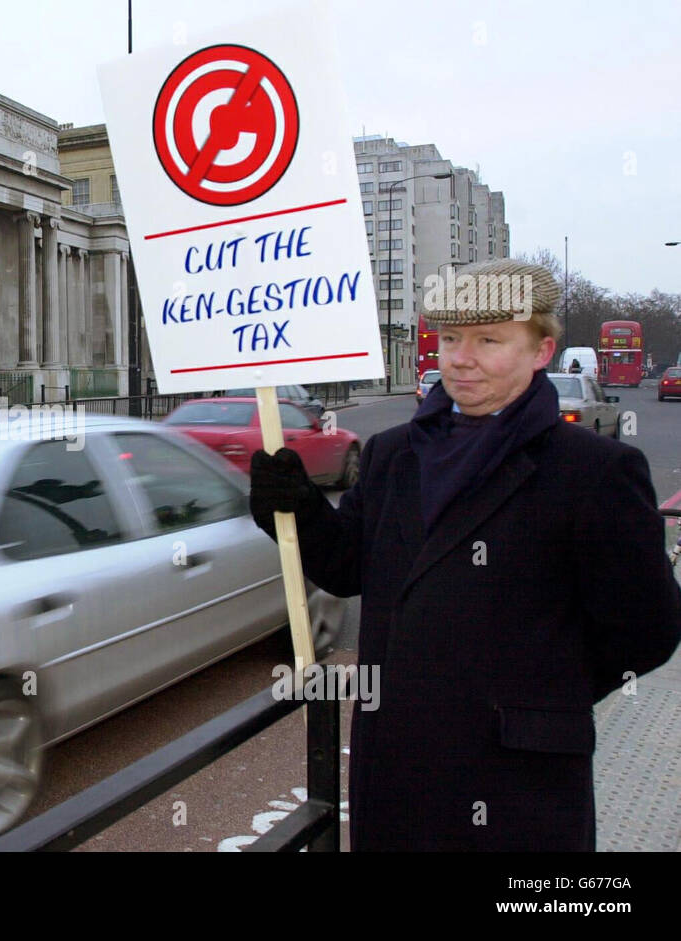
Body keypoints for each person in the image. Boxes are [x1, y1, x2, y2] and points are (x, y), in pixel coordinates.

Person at [248, 258, 681, 851]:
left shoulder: (594, 471)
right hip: (396, 769)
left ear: (541, 351)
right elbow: (348, 569)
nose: (461, 358)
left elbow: (648, 630)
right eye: (451, 339)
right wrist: (296, 507)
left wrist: (540, 700)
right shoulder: (392, 454)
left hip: (518, 781)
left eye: (488, 340)